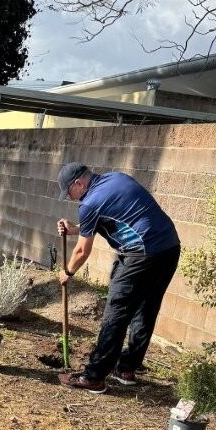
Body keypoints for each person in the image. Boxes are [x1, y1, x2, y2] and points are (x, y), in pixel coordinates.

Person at [56, 162, 181, 394]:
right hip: (169, 248)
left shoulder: (89, 203)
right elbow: (116, 216)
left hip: (140, 255)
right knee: (146, 308)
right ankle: (127, 369)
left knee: (116, 313)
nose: (71, 198)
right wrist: (76, 229)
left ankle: (93, 377)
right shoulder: (117, 179)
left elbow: (82, 251)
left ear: (78, 183)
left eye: (69, 192)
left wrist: (68, 272)